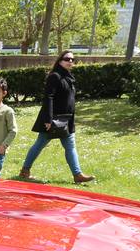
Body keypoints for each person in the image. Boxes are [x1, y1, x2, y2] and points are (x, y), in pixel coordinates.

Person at [16, 52, 91, 184]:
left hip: (66, 119)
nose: (70, 61)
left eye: (73, 59)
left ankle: (77, 174)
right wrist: (48, 119)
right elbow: (48, 98)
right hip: (53, 120)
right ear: (60, 60)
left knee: (70, 146)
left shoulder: (69, 77)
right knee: (39, 144)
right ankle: (25, 171)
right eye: (67, 59)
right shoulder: (55, 76)